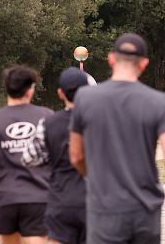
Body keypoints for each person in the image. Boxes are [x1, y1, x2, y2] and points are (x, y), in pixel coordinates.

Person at [70, 33, 165, 243]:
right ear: (144, 63)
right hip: (145, 208)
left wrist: (94, 177)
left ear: (111, 59)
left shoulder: (85, 98)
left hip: (104, 207)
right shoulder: (158, 102)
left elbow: (76, 155)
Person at [0, 66, 53, 244]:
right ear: (30, 88)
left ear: (7, 87)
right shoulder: (46, 116)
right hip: (39, 194)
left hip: (6, 195)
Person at [21, 67, 91, 244]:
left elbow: (28, 158)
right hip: (95, 200)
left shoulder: (48, 123)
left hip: (62, 199)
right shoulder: (100, 120)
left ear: (60, 93)